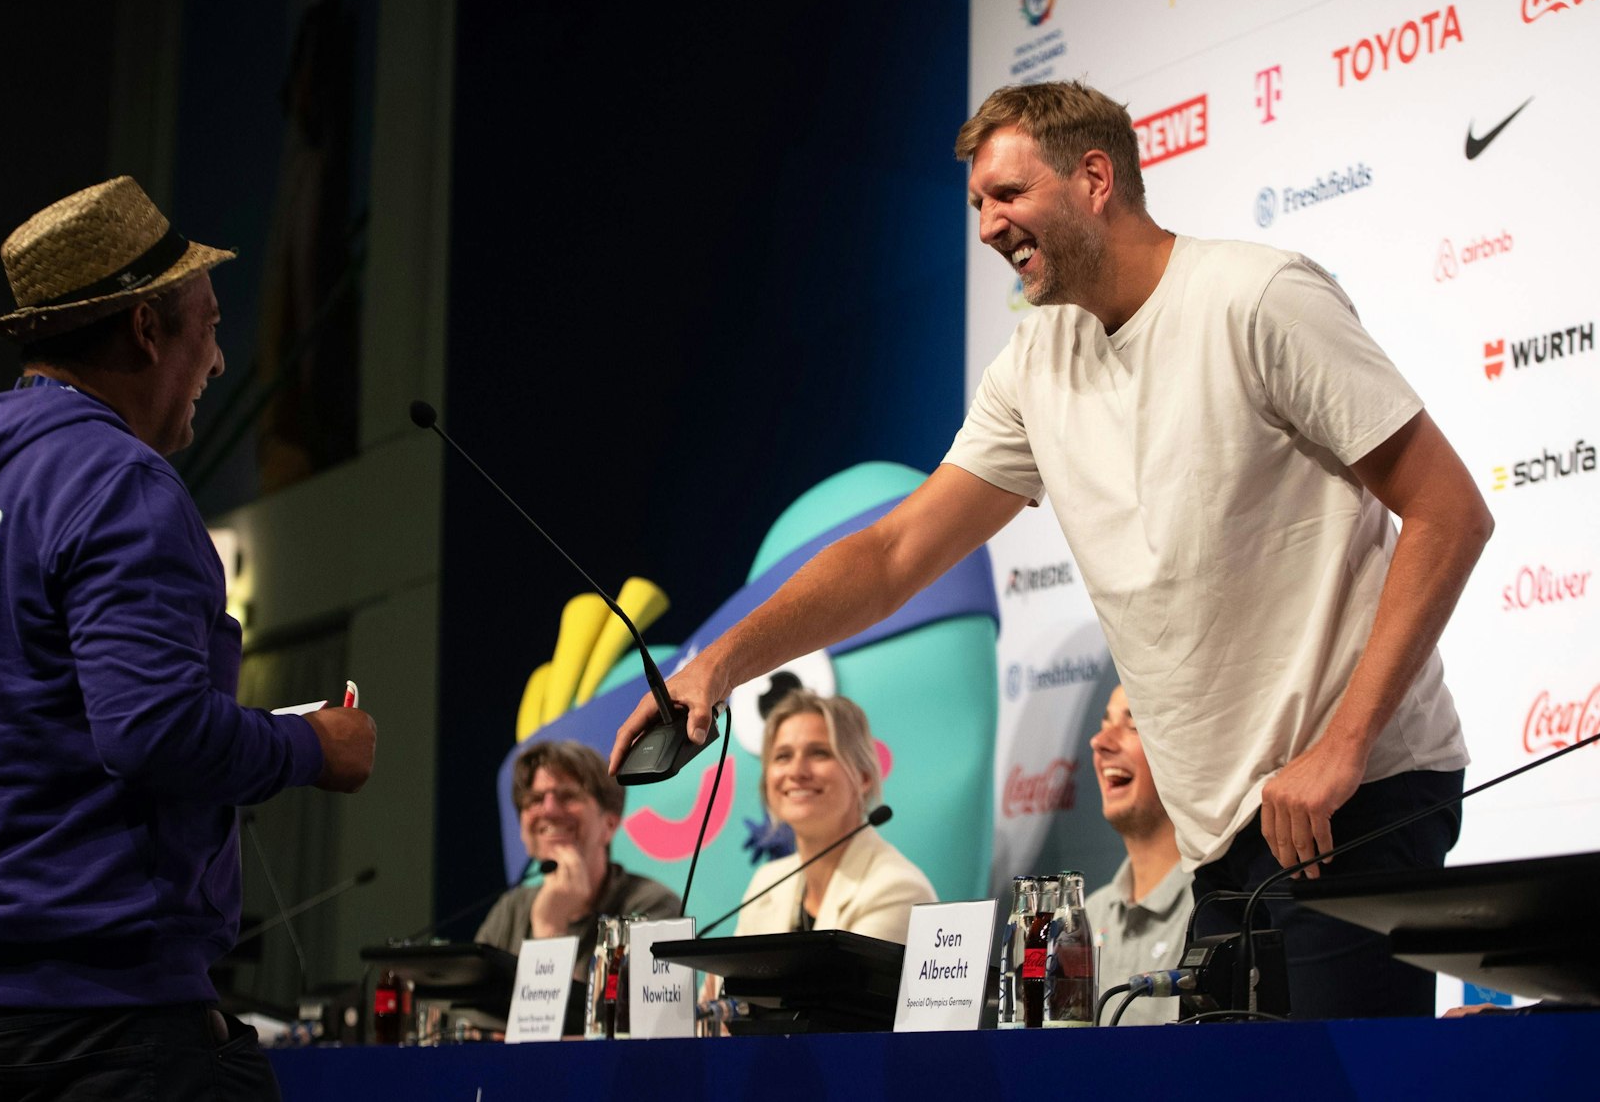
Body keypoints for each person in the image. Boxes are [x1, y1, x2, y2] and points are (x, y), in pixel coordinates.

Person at [613, 81, 1491, 1019]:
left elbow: (1450, 511)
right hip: (1231, 836)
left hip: (1354, 797)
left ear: (1096, 178)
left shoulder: (1257, 298)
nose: (988, 225)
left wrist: (1343, 747)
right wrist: (717, 663)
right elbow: (896, 550)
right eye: (978, 205)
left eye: (1007, 194)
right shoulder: (1035, 365)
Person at [0, 176, 378, 1101]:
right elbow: (152, 731)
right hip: (92, 1027)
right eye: (210, 327)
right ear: (147, 329)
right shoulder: (116, 485)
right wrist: (310, 746)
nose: (218, 362)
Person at [734, 693, 935, 941]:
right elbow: (720, 982)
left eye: (819, 753)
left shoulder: (897, 889)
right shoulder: (766, 884)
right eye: (783, 756)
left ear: (863, 777)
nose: (796, 772)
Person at [476, 741, 680, 973]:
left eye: (567, 796)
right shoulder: (510, 911)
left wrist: (550, 928)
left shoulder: (652, 907)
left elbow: (622, 1008)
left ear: (609, 824)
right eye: (535, 799)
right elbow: (468, 1007)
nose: (548, 810)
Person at [1087, 686, 1192, 1027]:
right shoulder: (1087, 916)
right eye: (1105, 723)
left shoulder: (1211, 910)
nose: (1099, 742)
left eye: (1133, 725)